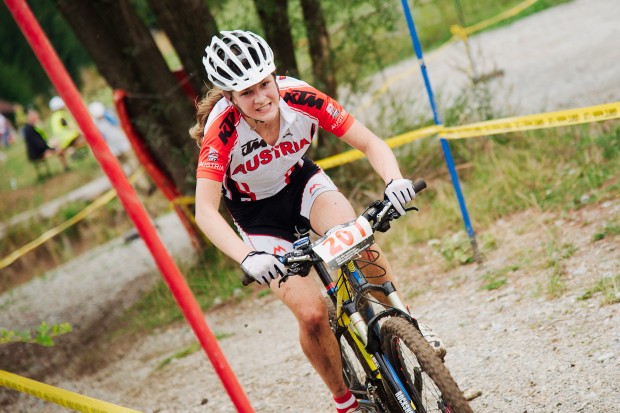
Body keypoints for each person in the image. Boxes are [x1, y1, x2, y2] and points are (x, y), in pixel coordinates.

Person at [190, 30, 445, 413]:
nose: (261, 98)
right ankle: (345, 401)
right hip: (257, 216)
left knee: (360, 246)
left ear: (274, 75)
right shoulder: (221, 131)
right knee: (312, 314)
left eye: (264, 84)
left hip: (302, 184)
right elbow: (205, 211)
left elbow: (370, 143)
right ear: (229, 97)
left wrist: (394, 180)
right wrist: (247, 257)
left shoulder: (300, 97)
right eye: (246, 92)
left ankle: (412, 331)